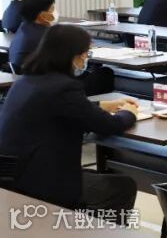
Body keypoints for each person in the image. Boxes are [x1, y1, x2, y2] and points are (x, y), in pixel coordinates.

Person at [0, 25, 139, 214]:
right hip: (40, 182)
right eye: (86, 53)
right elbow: (108, 125)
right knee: (122, 186)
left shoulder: (25, 81)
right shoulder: (64, 87)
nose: (86, 58)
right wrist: (129, 113)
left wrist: (104, 105)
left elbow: (66, 109)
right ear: (72, 56)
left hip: (13, 175)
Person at [9, 0, 57, 70]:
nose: (54, 12)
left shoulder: (25, 26)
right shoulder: (42, 36)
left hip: (23, 73)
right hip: (36, 74)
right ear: (42, 14)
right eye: (52, 9)